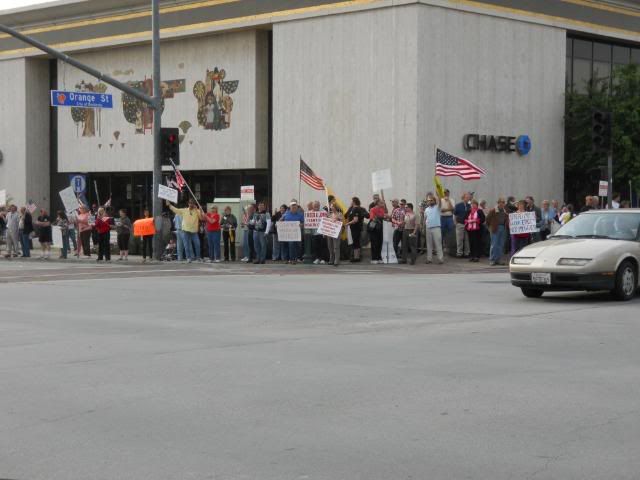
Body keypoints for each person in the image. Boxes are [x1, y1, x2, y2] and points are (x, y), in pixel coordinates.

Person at [167, 199, 203, 263]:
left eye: (192, 203)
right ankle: (188, 258)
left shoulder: (197, 211)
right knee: (186, 245)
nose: (191, 204)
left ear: (194, 204)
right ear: (188, 204)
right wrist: (170, 205)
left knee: (197, 244)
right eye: (190, 203)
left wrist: (200, 210)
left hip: (194, 231)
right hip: (185, 231)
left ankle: (198, 257)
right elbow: (176, 210)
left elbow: (201, 218)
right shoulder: (184, 210)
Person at [485, 197, 508, 266]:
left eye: (503, 202)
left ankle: (498, 259)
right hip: (495, 228)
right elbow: (487, 219)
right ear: (498, 203)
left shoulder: (505, 211)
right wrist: (490, 228)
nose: (502, 204)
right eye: (501, 202)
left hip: (503, 228)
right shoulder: (493, 210)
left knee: (501, 244)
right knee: (494, 244)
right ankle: (492, 259)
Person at [346, 197, 368, 263]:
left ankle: (356, 257)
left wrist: (347, 224)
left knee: (356, 242)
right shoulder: (351, 209)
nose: (351, 202)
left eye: (351, 201)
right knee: (355, 242)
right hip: (353, 228)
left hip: (356, 228)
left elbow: (355, 220)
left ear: (354, 202)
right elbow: (346, 215)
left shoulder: (357, 209)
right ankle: (356, 257)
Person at [424, 193, 444, 264]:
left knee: (438, 244)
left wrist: (438, 195)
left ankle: (440, 259)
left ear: (434, 201)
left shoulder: (437, 207)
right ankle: (429, 259)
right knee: (429, 244)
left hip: (436, 228)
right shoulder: (426, 209)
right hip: (428, 228)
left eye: (431, 200)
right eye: (429, 200)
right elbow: (425, 218)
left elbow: (440, 202)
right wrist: (424, 226)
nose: (430, 201)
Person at [368, 199, 386, 264]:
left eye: (382, 203)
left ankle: (379, 258)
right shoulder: (372, 209)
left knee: (380, 243)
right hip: (374, 227)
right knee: (374, 243)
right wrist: (380, 217)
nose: (382, 204)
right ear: (377, 203)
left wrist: (384, 217)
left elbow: (383, 216)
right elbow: (372, 218)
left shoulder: (382, 209)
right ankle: (374, 258)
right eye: (381, 203)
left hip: (380, 227)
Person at [454, 192, 471, 258]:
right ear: (463, 198)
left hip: (467, 224)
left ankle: (467, 253)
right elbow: (455, 215)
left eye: (468, 197)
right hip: (460, 224)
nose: (468, 198)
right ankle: (459, 253)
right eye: (467, 197)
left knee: (467, 239)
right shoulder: (458, 205)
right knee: (459, 239)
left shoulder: (469, 206)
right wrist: (455, 223)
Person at [327, 202, 344, 267]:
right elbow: (326, 223)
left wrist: (338, 219)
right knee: (330, 246)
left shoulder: (339, 214)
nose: (331, 207)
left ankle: (336, 260)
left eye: (332, 206)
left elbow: (341, 223)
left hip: (336, 232)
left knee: (336, 247)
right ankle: (331, 259)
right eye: (331, 206)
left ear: (335, 207)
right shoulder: (330, 214)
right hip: (329, 232)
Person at [440, 189, 455, 254]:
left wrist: (448, 201)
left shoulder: (452, 200)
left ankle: (449, 248)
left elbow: (453, 209)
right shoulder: (441, 200)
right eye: (444, 193)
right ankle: (441, 248)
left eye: (447, 193)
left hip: (449, 218)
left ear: (449, 193)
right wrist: (449, 209)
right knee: (442, 232)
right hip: (442, 218)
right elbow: (441, 210)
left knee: (450, 232)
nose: (446, 194)